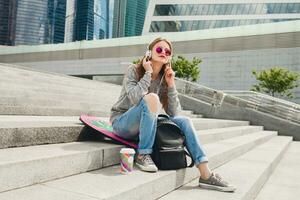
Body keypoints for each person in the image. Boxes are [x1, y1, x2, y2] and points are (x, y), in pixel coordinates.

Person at [109, 37, 236, 192]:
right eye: (159, 49)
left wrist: (171, 84)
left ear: (169, 57)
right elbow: (135, 99)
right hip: (122, 123)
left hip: (145, 126)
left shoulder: (164, 78)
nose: (163, 52)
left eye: (167, 51)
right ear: (149, 52)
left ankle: (205, 173)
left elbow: (174, 113)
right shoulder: (134, 70)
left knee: (185, 121)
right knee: (152, 98)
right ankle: (143, 155)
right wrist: (148, 73)